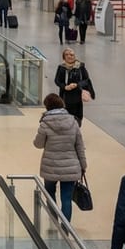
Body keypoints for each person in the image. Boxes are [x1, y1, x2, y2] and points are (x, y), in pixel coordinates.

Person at [33, 93, 86, 222]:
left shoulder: (45, 123)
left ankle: (54, 221)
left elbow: (38, 144)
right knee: (66, 198)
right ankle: (66, 228)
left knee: (50, 195)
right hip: (70, 167)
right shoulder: (73, 121)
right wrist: (83, 165)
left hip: (50, 167)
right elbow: (80, 145)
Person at [54, 47, 95, 125]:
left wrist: (77, 85)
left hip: (77, 97)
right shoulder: (61, 68)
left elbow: (86, 80)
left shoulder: (80, 67)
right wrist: (65, 87)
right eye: (67, 55)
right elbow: (57, 81)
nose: (69, 56)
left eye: (72, 55)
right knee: (65, 117)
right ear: (64, 57)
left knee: (78, 118)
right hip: (65, 97)